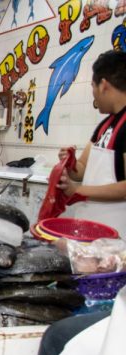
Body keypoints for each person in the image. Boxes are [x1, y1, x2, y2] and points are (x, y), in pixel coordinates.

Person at [58, 50, 126, 235]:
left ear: (103, 85)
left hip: (117, 236)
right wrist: (70, 162)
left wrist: (78, 190)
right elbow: (81, 169)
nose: (93, 94)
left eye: (92, 86)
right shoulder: (105, 125)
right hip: (91, 229)